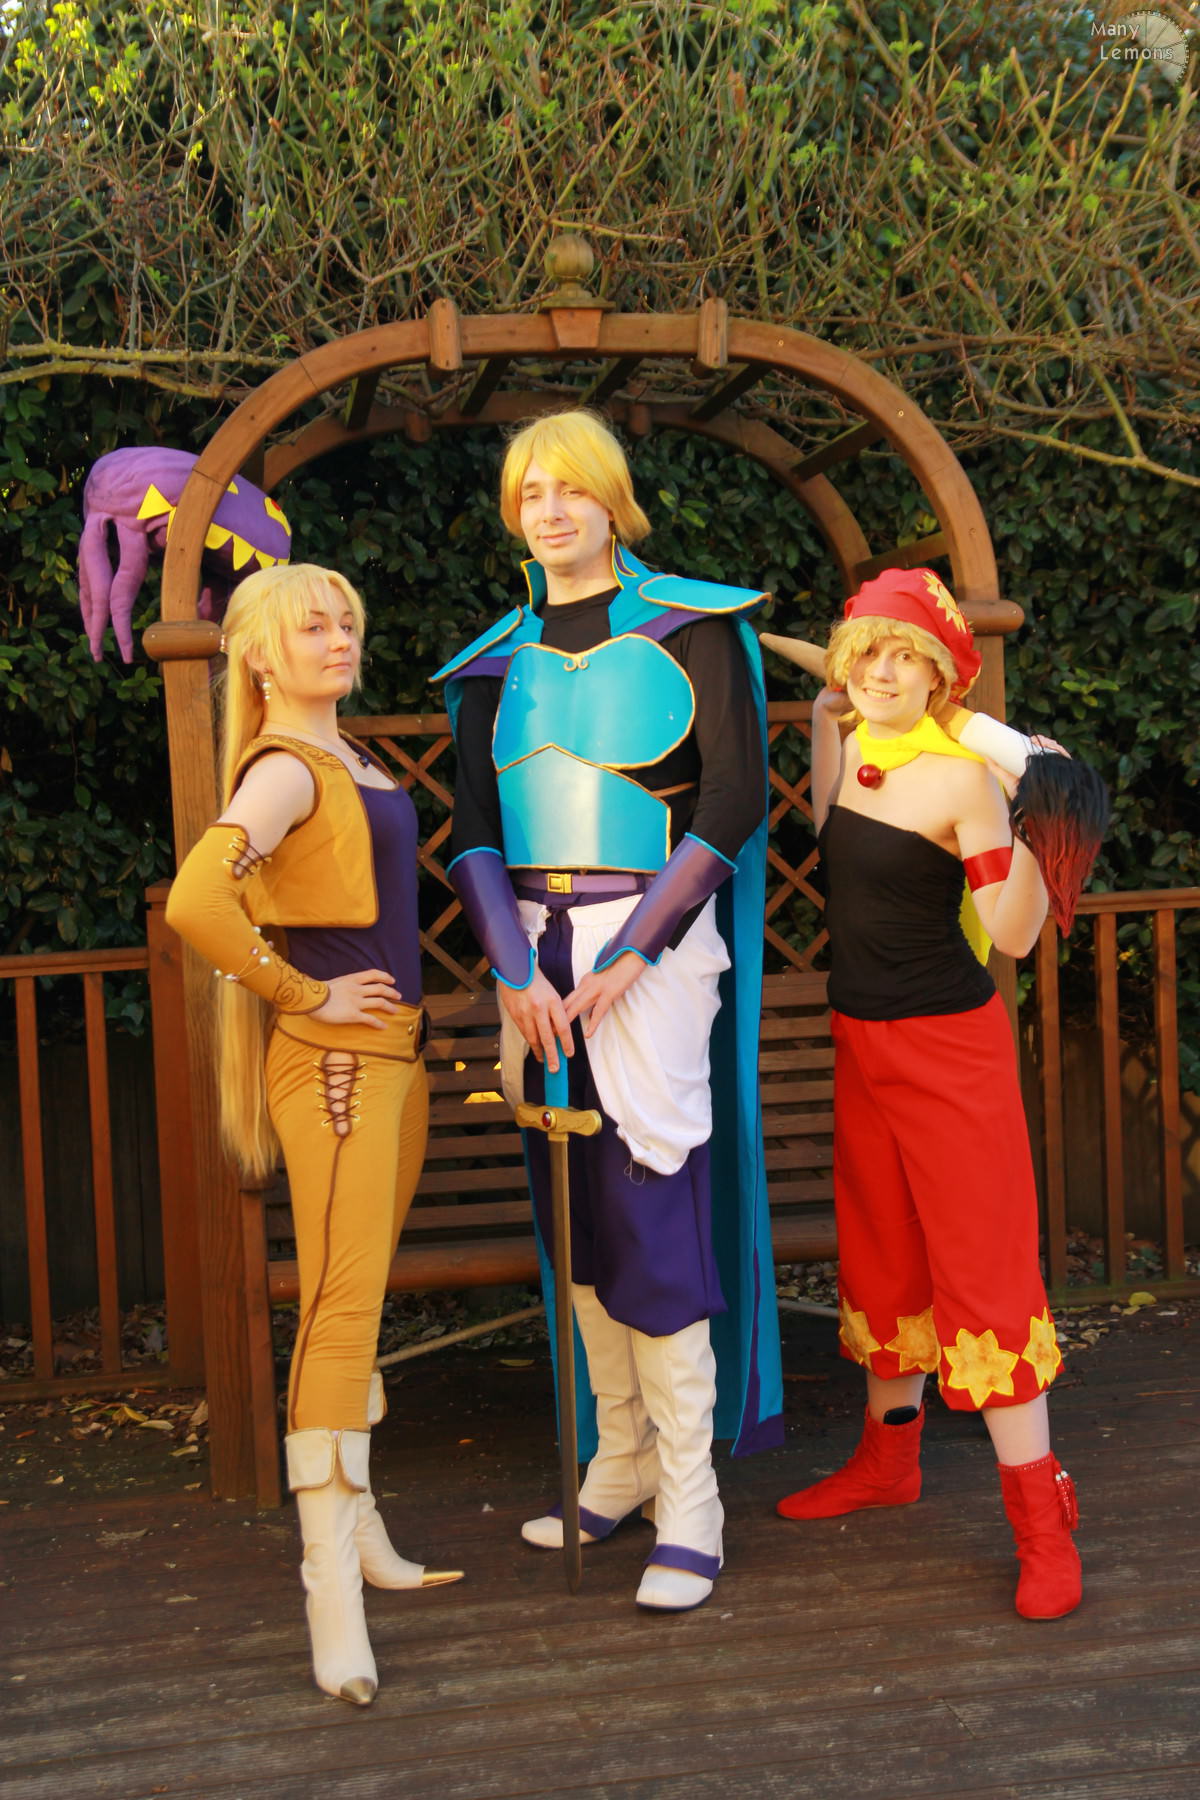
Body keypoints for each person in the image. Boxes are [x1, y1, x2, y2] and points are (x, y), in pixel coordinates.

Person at [435, 410, 783, 1612]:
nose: (550, 510)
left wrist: (636, 953)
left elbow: (732, 799)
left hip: (651, 955)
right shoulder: (493, 662)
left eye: (570, 488)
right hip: (533, 965)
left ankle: (693, 1499)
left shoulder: (693, 628)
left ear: (612, 500)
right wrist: (510, 969)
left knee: (650, 1204)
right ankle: (622, 1461)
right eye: (529, 492)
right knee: (572, 1216)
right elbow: (475, 829)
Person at [165, 562, 462, 1707]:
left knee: (358, 1298)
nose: (338, 640)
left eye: (345, 622)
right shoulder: (287, 767)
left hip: (395, 1062)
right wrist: (302, 994)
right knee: (339, 1312)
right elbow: (198, 901)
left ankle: (365, 1534)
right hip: (340, 1068)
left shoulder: (349, 757)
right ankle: (329, 1589)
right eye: (311, 628)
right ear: (258, 654)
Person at [772, 566, 1082, 1621]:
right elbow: (834, 808)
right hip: (861, 1044)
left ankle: (1043, 1523)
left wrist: (1041, 824)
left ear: (944, 677)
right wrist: (829, 701)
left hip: (951, 1053)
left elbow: (1013, 936)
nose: (883, 672)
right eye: (869, 653)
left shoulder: (963, 781)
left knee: (983, 1274)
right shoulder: (849, 739)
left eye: (907, 657)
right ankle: (887, 1462)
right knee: (883, 1252)